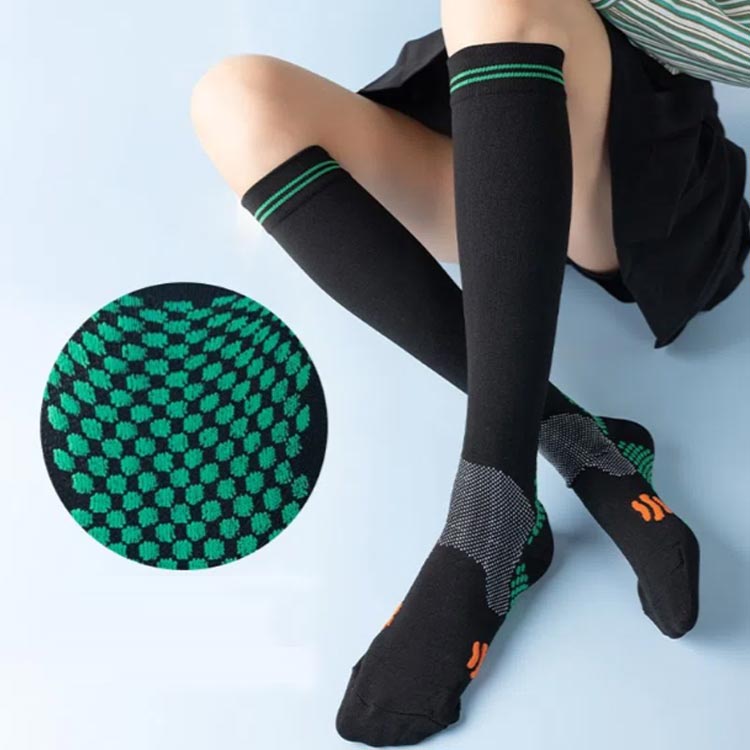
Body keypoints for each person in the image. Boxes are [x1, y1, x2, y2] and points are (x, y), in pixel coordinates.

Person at [190, 0, 748, 745]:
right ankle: (582, 445)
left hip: (641, 177)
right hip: (495, 107)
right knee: (234, 100)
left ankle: (488, 517)